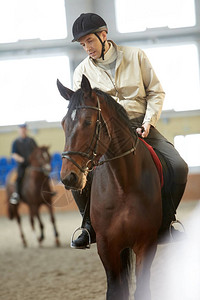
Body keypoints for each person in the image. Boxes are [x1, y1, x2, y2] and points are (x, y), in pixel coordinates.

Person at [70, 13, 188, 249]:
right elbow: (81, 110)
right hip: (105, 134)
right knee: (77, 176)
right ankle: (88, 225)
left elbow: (156, 92)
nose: (87, 48)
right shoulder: (81, 72)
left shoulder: (136, 56)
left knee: (178, 165)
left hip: (141, 125)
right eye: (82, 44)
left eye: (90, 41)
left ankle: (167, 221)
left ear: (104, 36)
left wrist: (148, 122)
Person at [9, 123, 37, 204]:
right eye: (21, 129)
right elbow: (13, 154)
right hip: (22, 165)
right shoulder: (16, 142)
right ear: (19, 130)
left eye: (24, 129)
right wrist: (20, 159)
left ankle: (46, 191)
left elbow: (36, 151)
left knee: (41, 172)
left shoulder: (31, 140)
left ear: (26, 130)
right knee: (19, 176)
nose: (23, 130)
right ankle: (16, 194)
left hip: (32, 164)